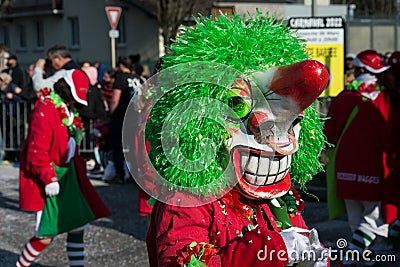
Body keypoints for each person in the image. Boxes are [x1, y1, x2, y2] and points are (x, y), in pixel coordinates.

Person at [144, 13, 330, 267]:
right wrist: (270, 249)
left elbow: (297, 236)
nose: (279, 142)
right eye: (240, 108)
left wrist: (314, 256)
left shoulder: (278, 195)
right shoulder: (188, 200)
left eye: (293, 122)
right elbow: (182, 262)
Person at [17, 69, 111, 267]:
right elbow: (36, 150)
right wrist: (48, 177)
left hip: (69, 176)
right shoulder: (45, 108)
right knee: (45, 234)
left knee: (77, 226)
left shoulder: (69, 110)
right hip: (50, 178)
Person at [324, 49, 392, 266]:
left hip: (344, 171)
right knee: (375, 222)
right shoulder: (385, 99)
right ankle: (349, 257)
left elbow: (329, 134)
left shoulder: (343, 98)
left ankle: (365, 261)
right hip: (373, 171)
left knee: (356, 224)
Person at [108, 56, 142, 183]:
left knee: (118, 147)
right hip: (135, 116)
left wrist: (112, 113)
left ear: (121, 66)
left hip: (121, 116)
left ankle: (120, 174)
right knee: (134, 147)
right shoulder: (138, 79)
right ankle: (134, 174)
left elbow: (115, 99)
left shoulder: (120, 79)